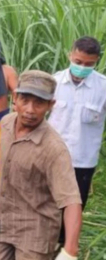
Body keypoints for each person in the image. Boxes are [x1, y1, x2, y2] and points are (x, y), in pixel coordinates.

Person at [0, 70, 82, 260]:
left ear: (51, 105)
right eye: (25, 100)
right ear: (15, 98)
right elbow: (7, 154)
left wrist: (70, 251)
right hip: (2, 216)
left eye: (39, 103)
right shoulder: (6, 123)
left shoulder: (54, 149)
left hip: (35, 227)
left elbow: (71, 200)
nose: (30, 110)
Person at [48, 36, 106, 211]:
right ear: (70, 55)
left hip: (83, 160)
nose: (82, 67)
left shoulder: (103, 87)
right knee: (48, 205)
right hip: (52, 157)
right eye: (78, 61)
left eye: (89, 64)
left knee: (74, 207)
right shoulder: (54, 82)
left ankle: (67, 239)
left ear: (97, 61)